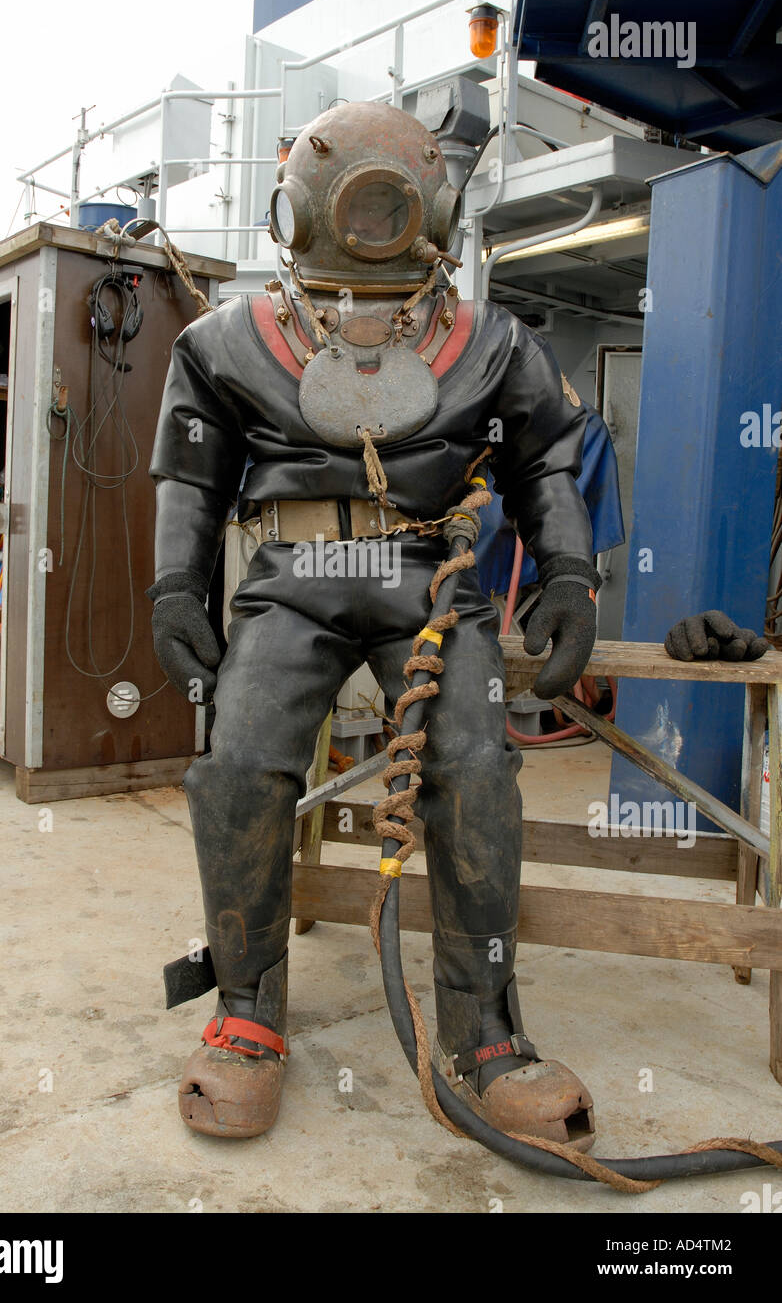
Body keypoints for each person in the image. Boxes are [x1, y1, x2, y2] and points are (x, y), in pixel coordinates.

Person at [148, 100, 600, 1145]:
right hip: (294, 574)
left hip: (427, 573)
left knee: (477, 765)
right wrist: (177, 589)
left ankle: (484, 1033)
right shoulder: (227, 344)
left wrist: (568, 574)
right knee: (242, 757)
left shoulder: (492, 343)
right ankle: (248, 1014)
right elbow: (189, 474)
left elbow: (544, 459)